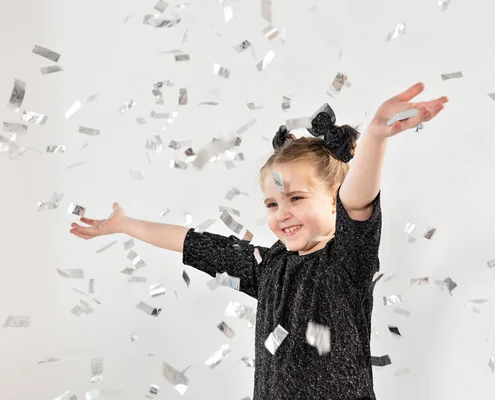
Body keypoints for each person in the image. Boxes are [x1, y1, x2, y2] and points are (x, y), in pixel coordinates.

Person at [70, 82, 447, 400]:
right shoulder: (268, 267)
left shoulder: (347, 260)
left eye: (296, 198)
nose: (282, 213)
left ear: (334, 199)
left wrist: (378, 135)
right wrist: (125, 224)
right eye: (272, 203)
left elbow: (359, 199)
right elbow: (192, 243)